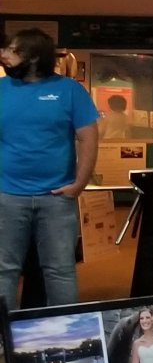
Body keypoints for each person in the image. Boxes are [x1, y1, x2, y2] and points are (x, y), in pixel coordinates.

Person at [0, 28, 99, 311]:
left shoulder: (69, 90)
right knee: (4, 270)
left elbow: (88, 138)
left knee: (59, 270)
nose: (4, 55)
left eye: (11, 50)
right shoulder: (1, 89)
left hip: (57, 197)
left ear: (32, 57)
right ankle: (4, 337)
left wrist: (79, 183)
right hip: (7, 196)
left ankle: (65, 331)